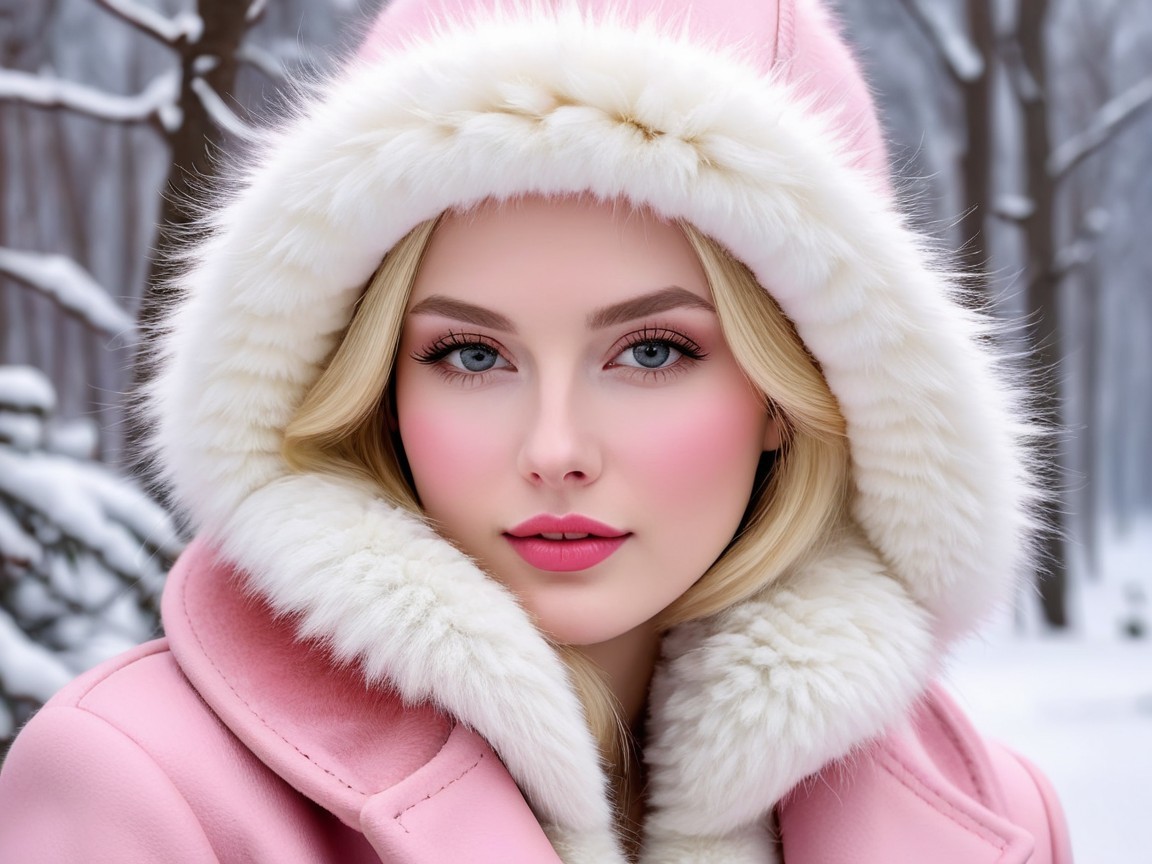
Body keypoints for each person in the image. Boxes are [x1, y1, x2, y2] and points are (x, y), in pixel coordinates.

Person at [0, 0, 1072, 861]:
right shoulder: (136, 790)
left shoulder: (1003, 823)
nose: (555, 447)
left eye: (653, 351)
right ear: (375, 386)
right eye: (471, 355)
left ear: (796, 398)